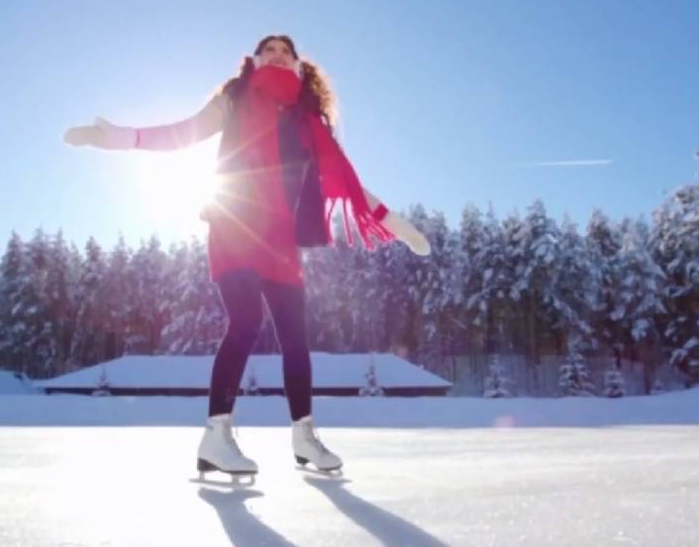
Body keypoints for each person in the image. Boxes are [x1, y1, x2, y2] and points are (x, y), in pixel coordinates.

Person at [64, 34, 430, 480]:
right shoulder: (234, 99)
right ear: (255, 61)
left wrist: (395, 224)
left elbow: (347, 184)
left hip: (280, 241)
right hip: (234, 223)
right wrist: (120, 137)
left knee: (296, 337)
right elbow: (184, 132)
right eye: (268, 51)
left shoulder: (308, 121)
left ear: (298, 66)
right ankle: (217, 436)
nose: (276, 55)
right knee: (246, 322)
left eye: (285, 52)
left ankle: (304, 435)